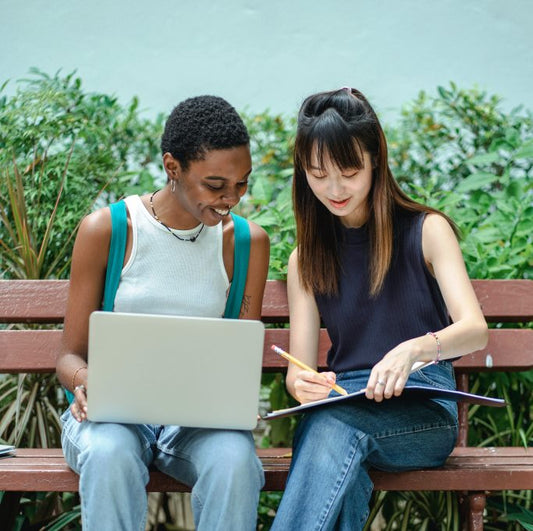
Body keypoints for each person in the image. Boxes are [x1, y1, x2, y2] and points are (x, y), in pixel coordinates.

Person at [271, 87, 488, 531]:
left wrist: (413, 351)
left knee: (328, 429)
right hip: (343, 402)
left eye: (348, 171)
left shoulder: (428, 231)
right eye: (317, 174)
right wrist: (304, 384)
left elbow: (475, 330)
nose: (333, 189)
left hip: (423, 411)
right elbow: (298, 370)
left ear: (374, 160)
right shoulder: (305, 259)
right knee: (333, 438)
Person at [56, 95, 270, 531]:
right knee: (110, 453)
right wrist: (87, 381)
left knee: (234, 462)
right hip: (112, 420)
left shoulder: (247, 244)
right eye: (215, 185)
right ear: (172, 167)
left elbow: (238, 359)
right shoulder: (109, 230)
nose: (232, 198)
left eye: (242, 184)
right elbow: (68, 359)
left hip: (196, 426)